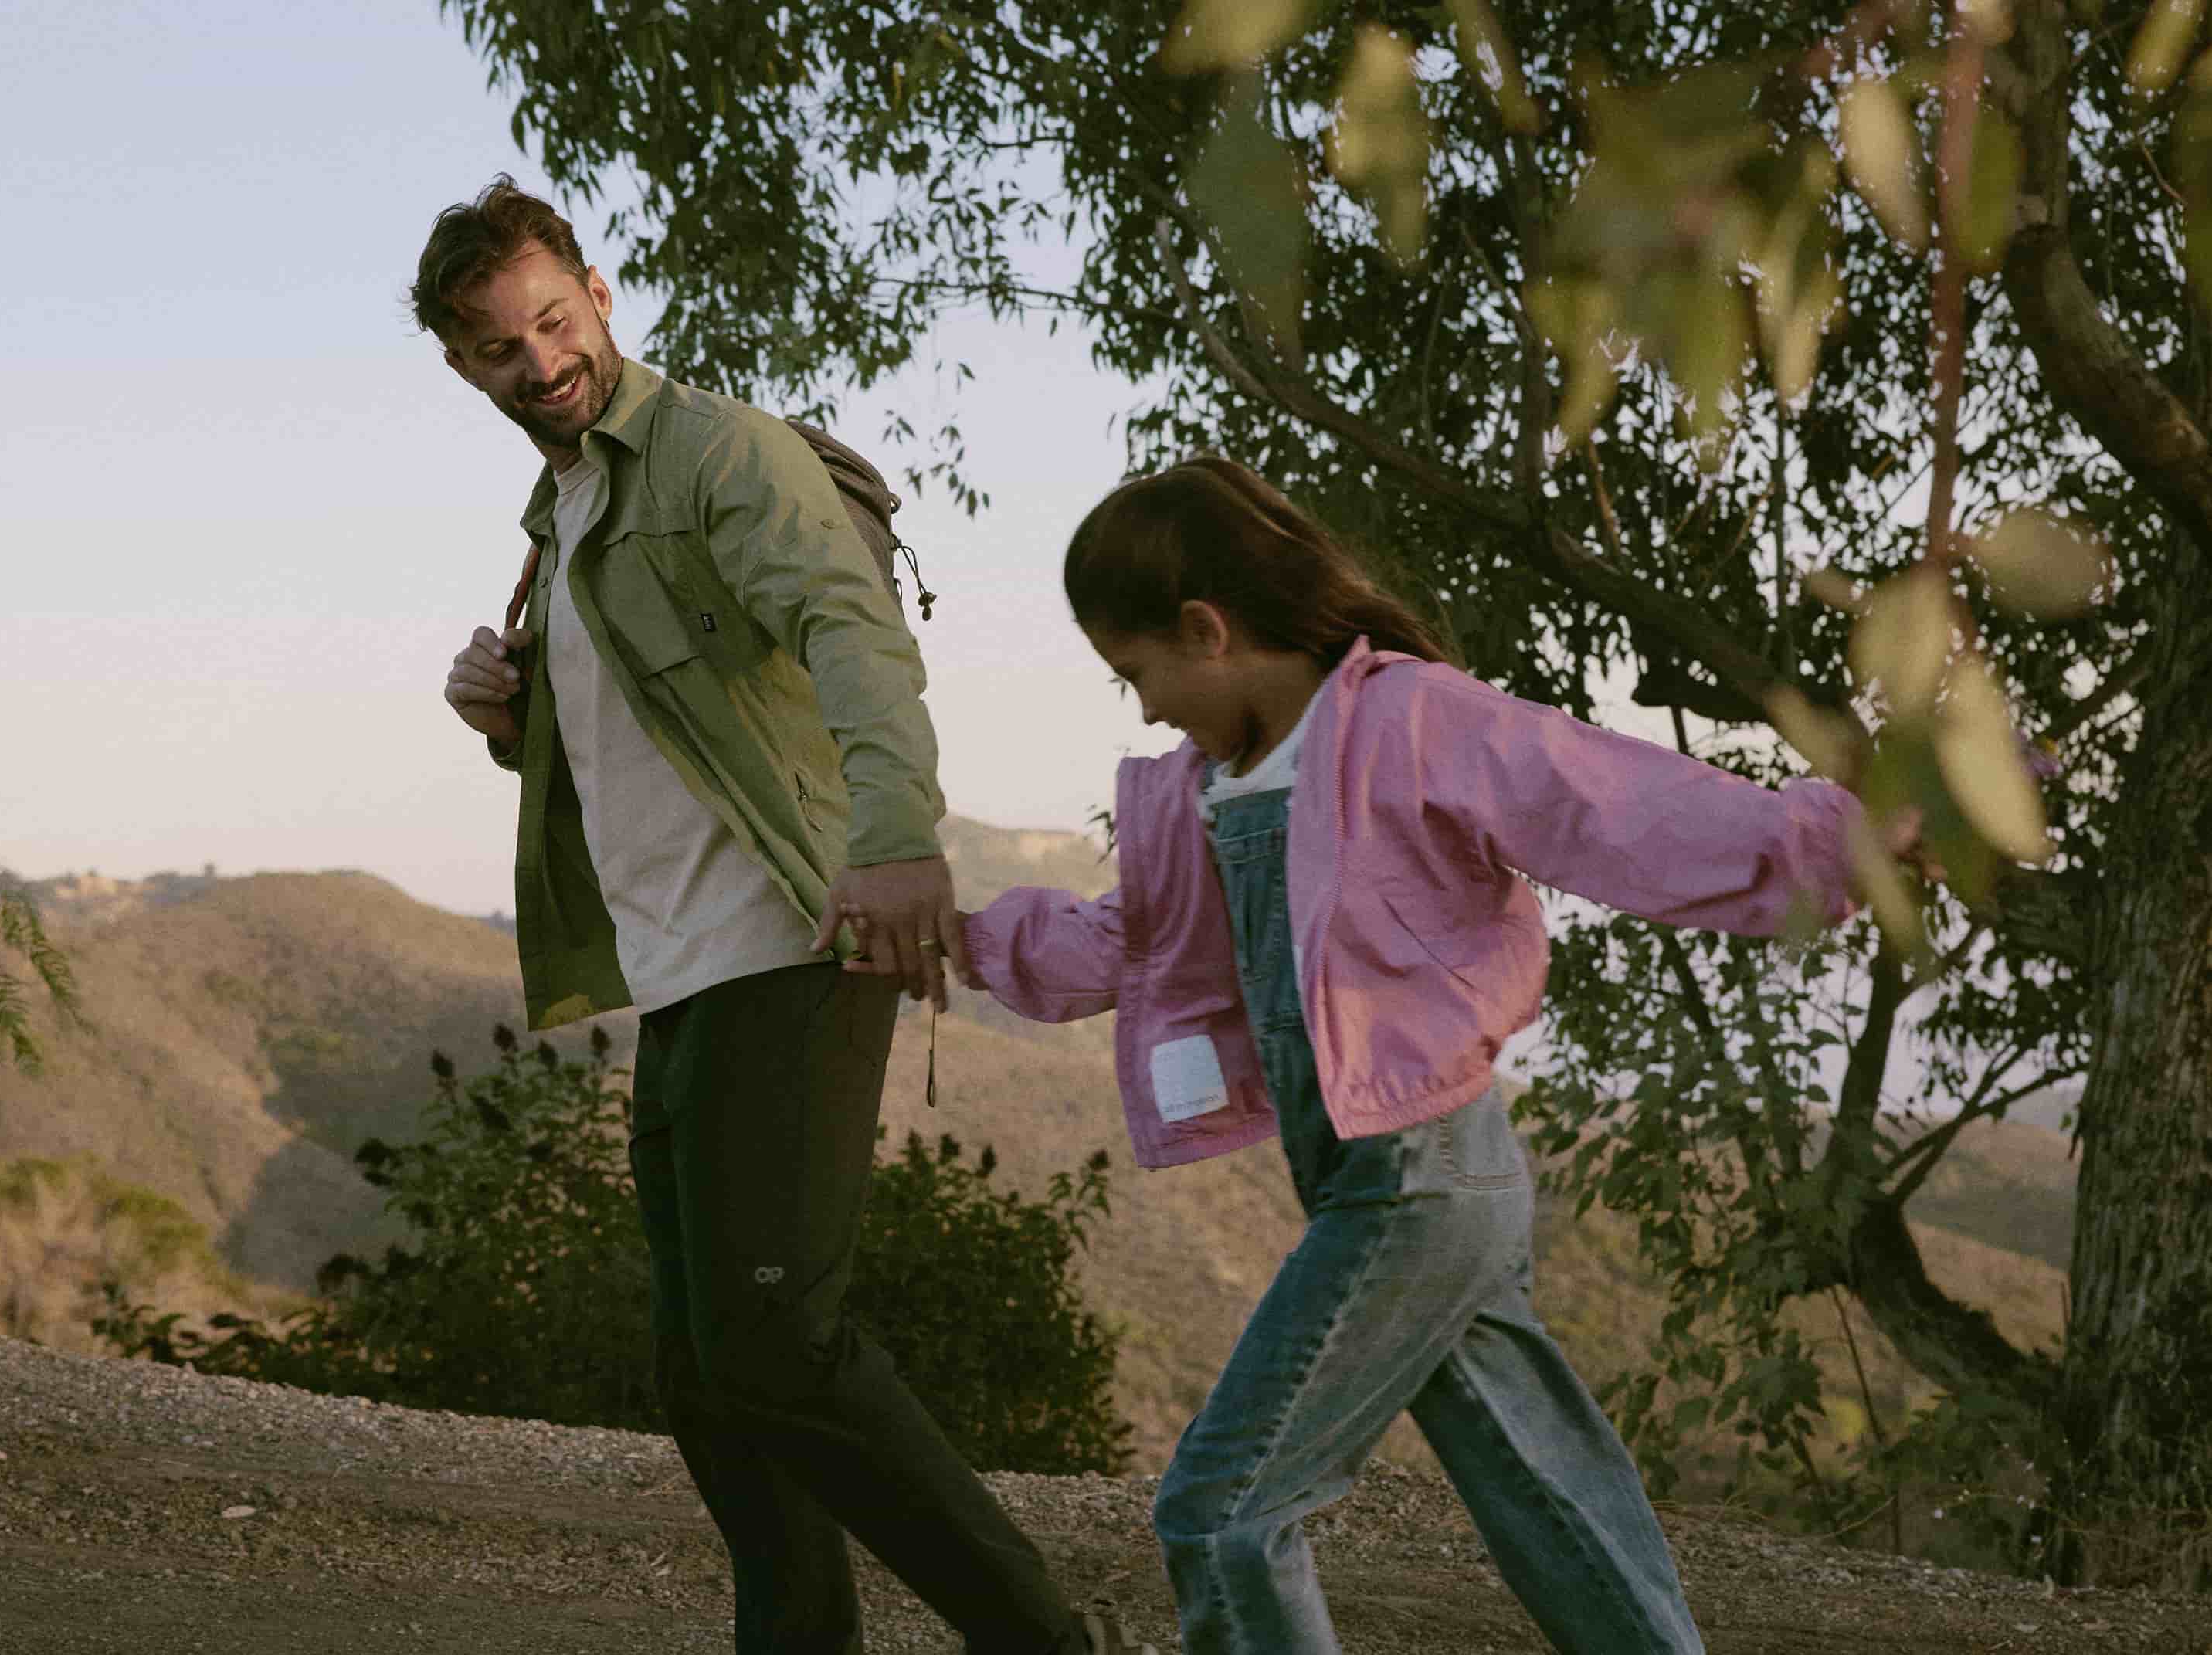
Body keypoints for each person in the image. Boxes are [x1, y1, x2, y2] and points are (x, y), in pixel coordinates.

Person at [843, 456, 1925, 1654]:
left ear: (1204, 631)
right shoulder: (1210, 785)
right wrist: (957, 942)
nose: (1145, 711)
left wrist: (1849, 837)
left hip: (1417, 1178)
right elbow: (1130, 946)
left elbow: (1616, 809)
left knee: (1220, 1513)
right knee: (1551, 1505)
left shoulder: (1412, 719)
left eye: (1136, 674)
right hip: (1382, 1177)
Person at [422, 175, 1155, 1655]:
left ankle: (1042, 1641)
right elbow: (649, 725)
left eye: (553, 322)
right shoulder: (559, 514)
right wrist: (505, 714)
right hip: (684, 964)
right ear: (461, 363)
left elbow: (848, 631)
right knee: (706, 1371)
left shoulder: (717, 451)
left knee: (777, 1341)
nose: (540, 362)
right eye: (501, 348)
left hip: (799, 929)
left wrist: (900, 848)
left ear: (598, 293)